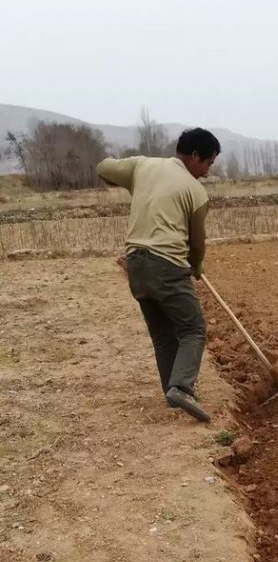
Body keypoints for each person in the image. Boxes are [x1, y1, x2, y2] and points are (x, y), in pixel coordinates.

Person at [96, 128, 220, 422]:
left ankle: (173, 394)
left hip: (136, 266)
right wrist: (196, 264)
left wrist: (125, 180)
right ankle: (182, 387)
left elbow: (103, 167)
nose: (207, 171)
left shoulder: (142, 165)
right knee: (193, 330)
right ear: (194, 156)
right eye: (208, 163)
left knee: (163, 336)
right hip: (167, 266)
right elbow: (197, 243)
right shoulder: (196, 192)